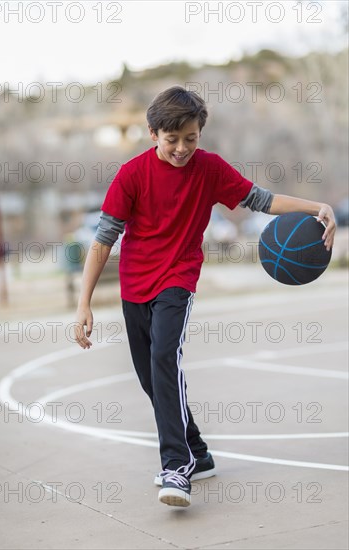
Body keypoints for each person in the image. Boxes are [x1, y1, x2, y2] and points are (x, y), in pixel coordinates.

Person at [74, 86, 336, 508]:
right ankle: (199, 451)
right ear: (152, 133)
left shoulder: (210, 169)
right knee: (151, 380)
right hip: (134, 285)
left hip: (177, 280)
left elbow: (260, 200)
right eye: (172, 139)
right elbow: (104, 240)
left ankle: (177, 467)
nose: (181, 148)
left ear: (200, 134)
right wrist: (84, 303)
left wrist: (314, 207)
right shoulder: (132, 175)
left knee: (164, 361)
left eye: (191, 139)